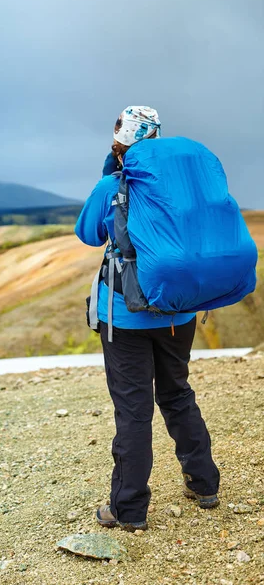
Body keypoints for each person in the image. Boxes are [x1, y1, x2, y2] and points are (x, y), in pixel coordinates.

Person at [75, 106, 220, 532]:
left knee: (133, 410)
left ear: (119, 140)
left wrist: (110, 172)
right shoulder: (183, 187)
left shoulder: (111, 185)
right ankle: (204, 483)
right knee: (177, 393)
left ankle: (128, 509)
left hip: (125, 319)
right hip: (178, 312)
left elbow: (89, 234)